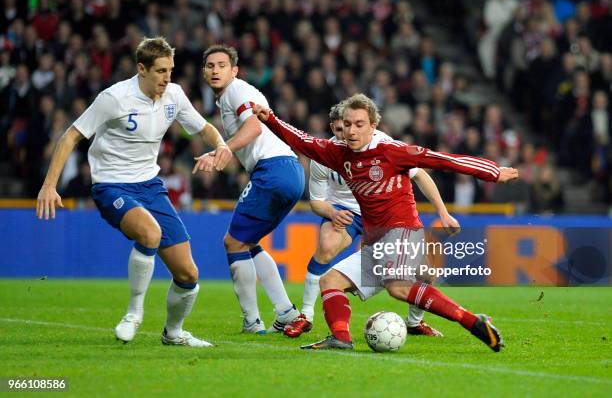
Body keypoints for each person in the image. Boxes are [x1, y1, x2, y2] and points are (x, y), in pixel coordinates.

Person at [252, 93, 518, 351]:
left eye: (359, 125)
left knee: (398, 287)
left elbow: (443, 160)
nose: (352, 131)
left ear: (373, 126)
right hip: (376, 241)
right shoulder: (338, 153)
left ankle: (472, 322)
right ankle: (341, 339)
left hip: (403, 231)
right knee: (330, 281)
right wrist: (270, 119)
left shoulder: (391, 151)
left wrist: (493, 172)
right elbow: (303, 141)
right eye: (347, 125)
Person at [36, 37, 232, 347]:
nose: (167, 78)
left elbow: (203, 127)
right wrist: (49, 186)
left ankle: (174, 333)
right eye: (160, 71)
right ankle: (133, 314)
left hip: (151, 187)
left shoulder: (174, 96)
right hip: (111, 184)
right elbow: (70, 137)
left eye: (170, 70)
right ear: (141, 69)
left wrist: (222, 145)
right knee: (150, 234)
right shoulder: (114, 98)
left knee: (189, 274)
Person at [285, 101, 458, 338]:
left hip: (381, 215)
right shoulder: (324, 155)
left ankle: (415, 322)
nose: (346, 136)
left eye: (352, 127)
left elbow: (420, 175)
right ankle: (305, 315)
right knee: (326, 246)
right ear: (334, 128)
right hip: (343, 212)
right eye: (339, 130)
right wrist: (332, 213)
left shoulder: (383, 146)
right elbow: (316, 201)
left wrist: (443, 211)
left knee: (426, 272)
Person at [200, 45, 302, 333]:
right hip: (289, 170)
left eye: (222, 65)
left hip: (273, 170)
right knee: (248, 242)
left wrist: (224, 149)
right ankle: (286, 312)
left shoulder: (236, 90)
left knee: (233, 243)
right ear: (204, 72)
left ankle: (252, 321)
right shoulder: (229, 97)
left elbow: (254, 128)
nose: (215, 70)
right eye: (210, 65)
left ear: (234, 70)